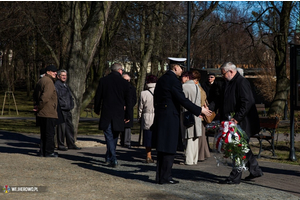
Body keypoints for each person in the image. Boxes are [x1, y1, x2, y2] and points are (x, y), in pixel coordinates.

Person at [151, 57, 212, 185]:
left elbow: (156, 98)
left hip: (162, 115)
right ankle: (165, 177)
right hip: (170, 117)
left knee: (162, 149)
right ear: (176, 67)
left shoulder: (162, 79)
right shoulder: (173, 81)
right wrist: (199, 110)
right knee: (169, 148)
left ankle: (160, 176)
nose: (182, 71)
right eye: (181, 68)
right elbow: (182, 100)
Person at [217, 62, 263, 184]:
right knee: (242, 147)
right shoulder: (230, 83)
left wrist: (237, 118)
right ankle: (255, 170)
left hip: (243, 122)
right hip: (235, 120)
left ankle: (235, 177)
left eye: (223, 74)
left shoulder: (241, 82)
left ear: (231, 71)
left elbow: (247, 102)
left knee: (237, 148)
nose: (223, 77)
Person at [94, 63, 131, 168]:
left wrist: (97, 109)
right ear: (120, 71)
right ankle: (113, 157)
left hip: (106, 112)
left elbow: (98, 97)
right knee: (114, 136)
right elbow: (128, 101)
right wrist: (128, 115)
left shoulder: (103, 81)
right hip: (118, 113)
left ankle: (110, 156)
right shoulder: (124, 83)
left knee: (109, 135)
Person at [34, 65, 59, 157]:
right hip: (48, 111)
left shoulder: (41, 80)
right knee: (49, 133)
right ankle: (49, 152)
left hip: (42, 112)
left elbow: (36, 94)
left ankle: (43, 151)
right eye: (53, 71)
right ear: (48, 72)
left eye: (56, 71)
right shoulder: (49, 82)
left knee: (44, 133)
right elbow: (45, 97)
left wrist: (37, 106)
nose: (55, 73)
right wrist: (39, 106)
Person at [55, 69, 81, 151]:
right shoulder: (57, 85)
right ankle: (61, 144)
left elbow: (69, 96)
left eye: (65, 75)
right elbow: (58, 97)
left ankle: (71, 143)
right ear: (58, 76)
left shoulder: (65, 85)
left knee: (69, 127)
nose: (64, 77)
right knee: (61, 128)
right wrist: (62, 105)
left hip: (67, 109)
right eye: (62, 75)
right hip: (61, 109)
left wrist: (71, 104)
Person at [180, 71, 202, 165]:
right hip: (196, 114)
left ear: (186, 77)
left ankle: (188, 160)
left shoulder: (184, 87)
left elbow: (182, 101)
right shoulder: (197, 87)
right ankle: (194, 159)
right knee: (195, 138)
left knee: (188, 137)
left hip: (187, 114)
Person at [192, 70, 211, 162]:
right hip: (202, 112)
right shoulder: (200, 87)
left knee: (199, 135)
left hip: (199, 113)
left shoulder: (197, 87)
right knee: (202, 135)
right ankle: (204, 153)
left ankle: (200, 155)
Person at [138, 74, 157, 163]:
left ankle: (148, 155)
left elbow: (140, 108)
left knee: (148, 137)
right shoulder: (160, 91)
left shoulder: (143, 93)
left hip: (147, 116)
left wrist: (139, 117)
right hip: (157, 116)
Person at [120, 73, 137, 148]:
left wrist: (128, 106)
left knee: (127, 126)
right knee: (120, 125)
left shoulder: (132, 88)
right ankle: (122, 140)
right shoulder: (119, 88)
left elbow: (134, 99)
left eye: (128, 80)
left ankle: (127, 141)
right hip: (120, 108)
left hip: (128, 109)